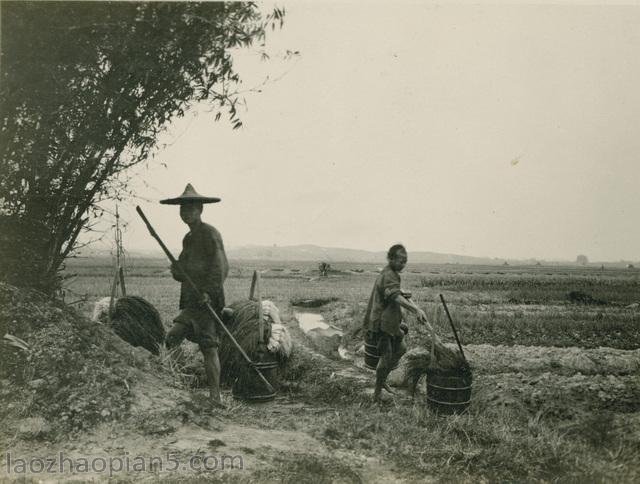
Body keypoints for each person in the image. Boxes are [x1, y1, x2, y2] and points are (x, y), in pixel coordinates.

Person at [161, 183, 229, 408]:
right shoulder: (188, 238)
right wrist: (176, 270)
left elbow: (220, 268)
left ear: (200, 210)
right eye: (183, 210)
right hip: (191, 302)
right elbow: (182, 269)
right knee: (172, 339)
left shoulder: (210, 234)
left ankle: (215, 398)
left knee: (209, 348)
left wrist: (209, 293)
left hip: (207, 302)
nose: (186, 213)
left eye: (191, 209)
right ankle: (180, 385)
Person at [363, 244, 430, 403]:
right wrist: (416, 310)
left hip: (389, 321)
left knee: (401, 349)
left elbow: (392, 292)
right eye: (400, 261)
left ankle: (382, 379)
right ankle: (377, 394)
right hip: (382, 323)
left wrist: (402, 293)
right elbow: (394, 297)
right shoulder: (389, 275)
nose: (403, 264)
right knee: (386, 357)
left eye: (405, 261)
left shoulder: (390, 273)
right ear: (391, 259)